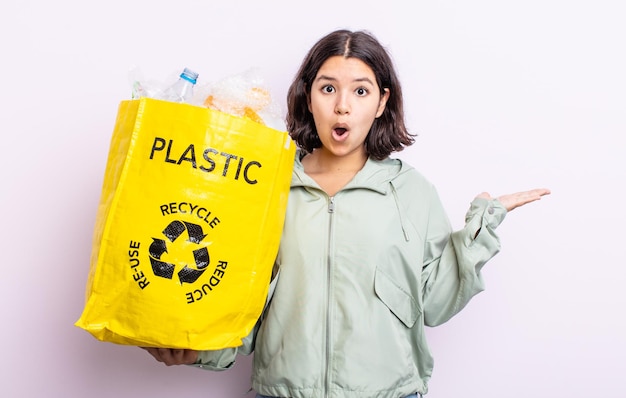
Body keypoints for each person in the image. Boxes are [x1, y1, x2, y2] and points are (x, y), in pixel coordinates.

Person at [143, 29, 550, 397]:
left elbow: (437, 302)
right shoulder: (266, 186)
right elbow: (239, 299)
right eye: (327, 88)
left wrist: (479, 232)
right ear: (308, 96)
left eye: (360, 91)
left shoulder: (410, 192)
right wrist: (194, 351)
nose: (342, 107)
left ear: (381, 102)